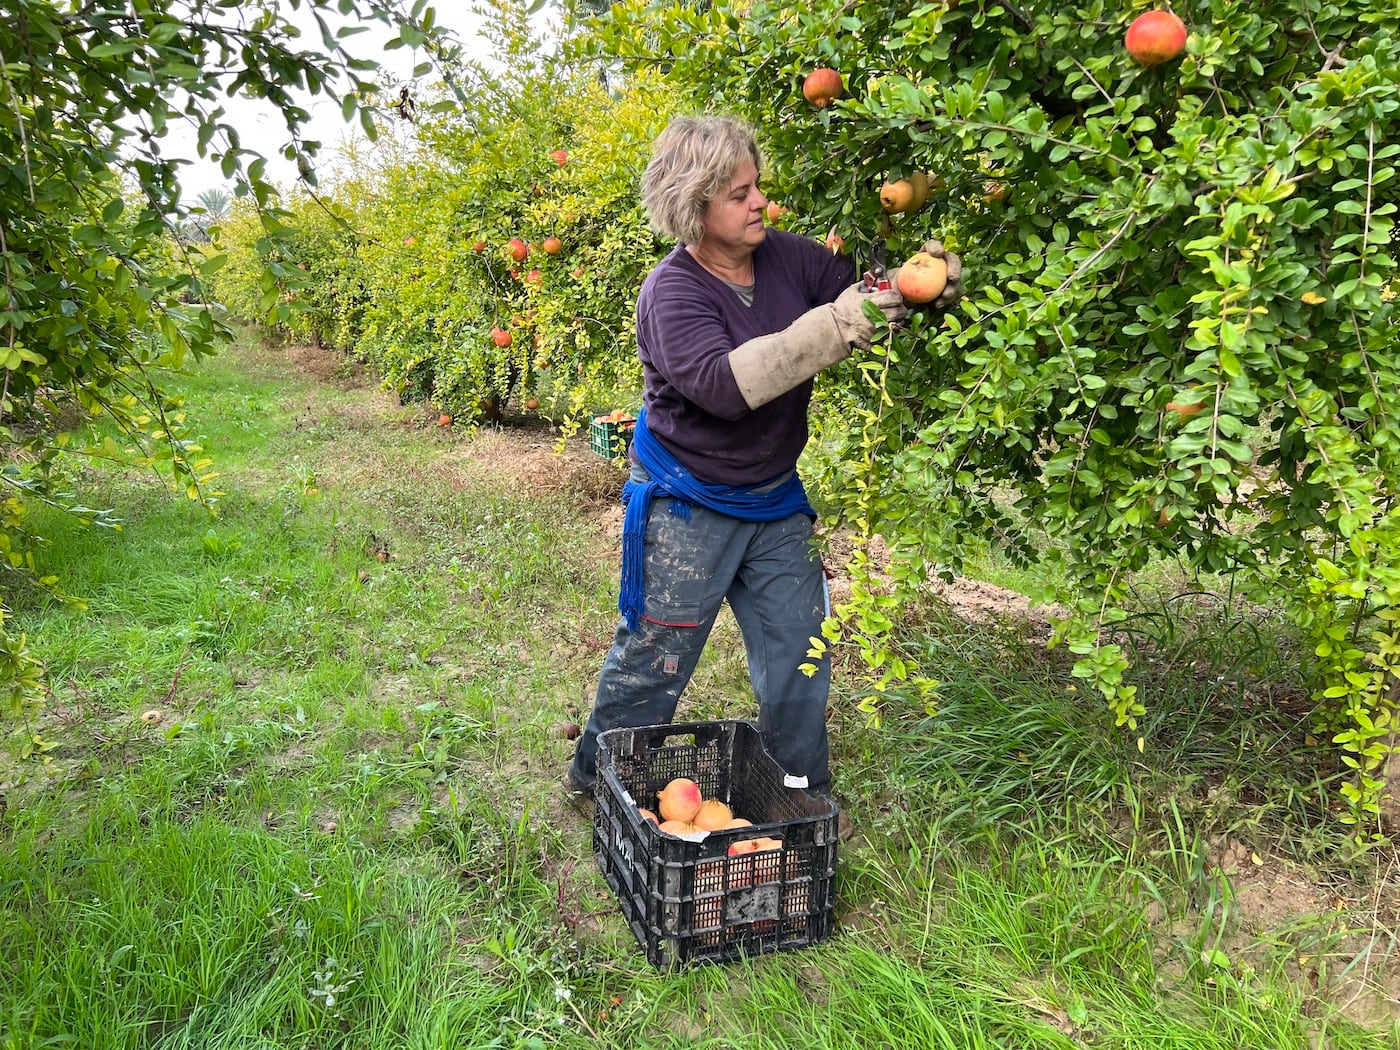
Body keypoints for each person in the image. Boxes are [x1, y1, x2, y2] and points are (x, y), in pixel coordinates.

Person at [564, 114, 962, 812]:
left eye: (758, 187)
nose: (759, 204)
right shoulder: (672, 293)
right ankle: (601, 784)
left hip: (772, 497)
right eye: (738, 194)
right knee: (657, 658)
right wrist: (836, 325)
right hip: (688, 497)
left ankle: (797, 793)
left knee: (798, 656)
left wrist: (915, 283)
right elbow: (725, 387)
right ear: (694, 205)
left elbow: (859, 287)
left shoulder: (788, 256)